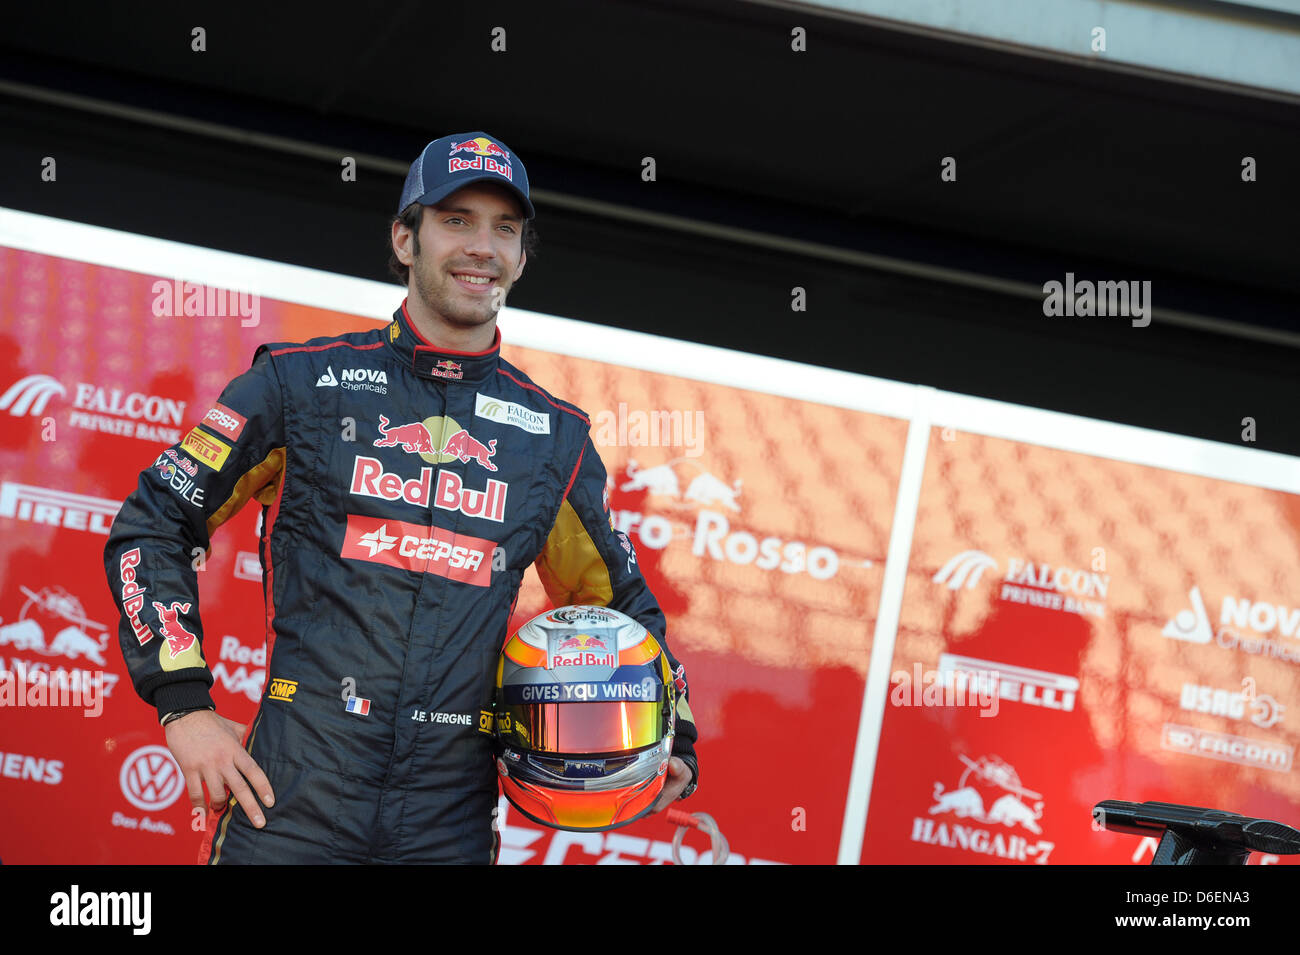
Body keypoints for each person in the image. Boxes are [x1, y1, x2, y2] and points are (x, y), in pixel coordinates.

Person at [103, 131, 699, 864]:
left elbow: (625, 606)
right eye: (456, 220)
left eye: (504, 228)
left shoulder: (554, 438)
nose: (482, 246)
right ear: (404, 238)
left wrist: (678, 738)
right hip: (287, 805)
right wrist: (184, 705)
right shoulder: (299, 384)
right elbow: (155, 521)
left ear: (520, 254)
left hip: (445, 827)